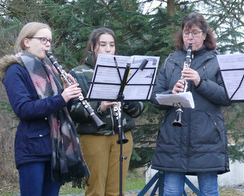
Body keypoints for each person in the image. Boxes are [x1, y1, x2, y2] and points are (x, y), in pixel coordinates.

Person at [0, 22, 89, 195]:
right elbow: (24, 109)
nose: (48, 44)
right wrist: (61, 97)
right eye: (42, 40)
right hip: (32, 148)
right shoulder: (15, 70)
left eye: (49, 40)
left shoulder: (49, 71)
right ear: (26, 42)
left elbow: (61, 109)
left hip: (56, 148)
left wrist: (66, 94)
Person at [150, 12, 230, 196]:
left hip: (207, 136)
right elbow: (154, 96)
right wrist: (171, 93)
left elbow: (226, 97)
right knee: (171, 190)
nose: (190, 37)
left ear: (204, 34)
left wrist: (200, 81)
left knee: (209, 190)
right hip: (173, 137)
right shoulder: (171, 61)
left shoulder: (216, 60)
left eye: (195, 32)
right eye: (186, 33)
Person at [69, 27, 145, 196]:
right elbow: (72, 109)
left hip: (122, 135)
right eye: (103, 44)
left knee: (116, 191)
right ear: (92, 47)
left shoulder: (127, 72)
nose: (108, 49)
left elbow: (139, 108)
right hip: (93, 137)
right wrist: (100, 106)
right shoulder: (78, 73)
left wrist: (124, 100)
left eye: (111, 44)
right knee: (95, 189)